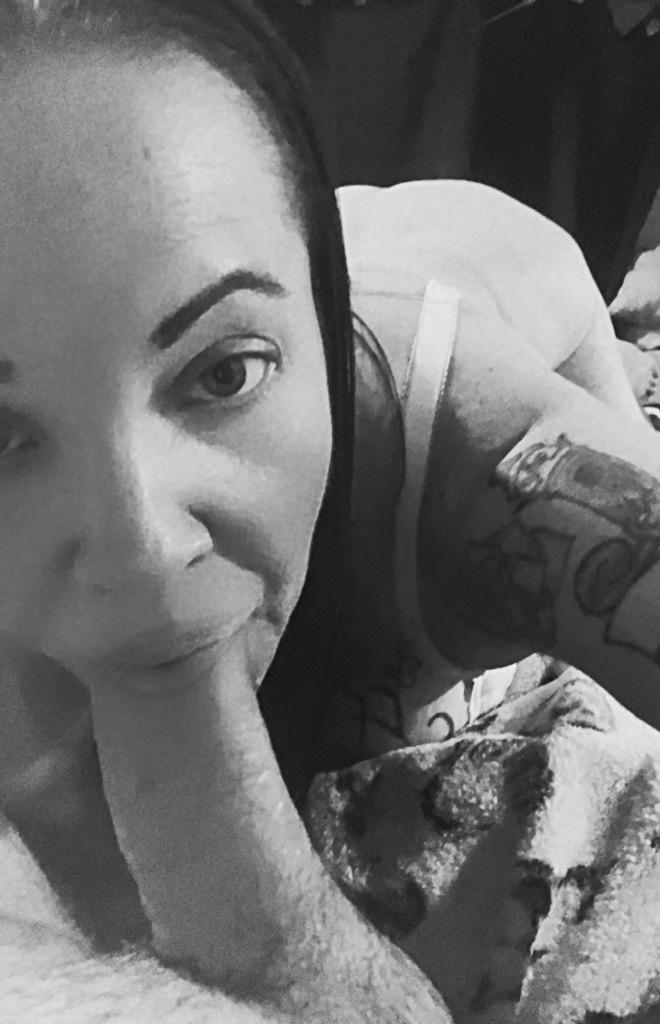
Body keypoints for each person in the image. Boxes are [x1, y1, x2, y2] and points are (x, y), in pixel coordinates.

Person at [0, 0, 659, 1022]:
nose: (146, 546)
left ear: (315, 322)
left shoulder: (480, 470)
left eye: (222, 375)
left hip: (507, 291)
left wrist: (263, 924)